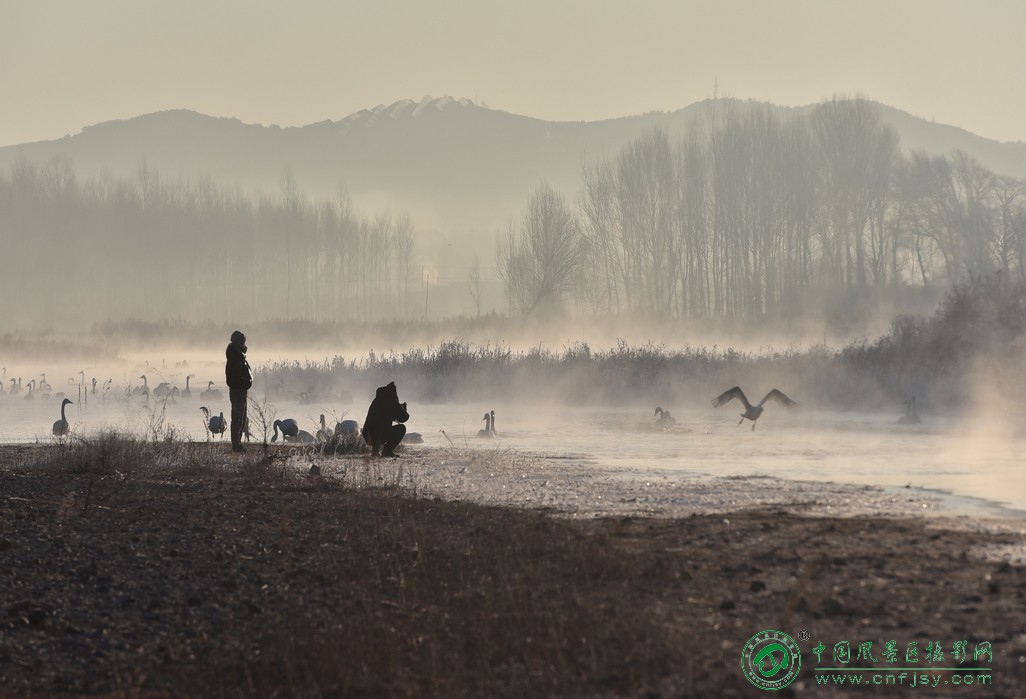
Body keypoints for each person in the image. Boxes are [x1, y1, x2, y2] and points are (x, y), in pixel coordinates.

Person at [362, 381, 410, 457]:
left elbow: (385, 415)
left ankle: (375, 451)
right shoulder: (391, 400)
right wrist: (403, 409)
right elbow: (404, 418)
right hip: (379, 434)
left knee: (378, 428)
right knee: (401, 428)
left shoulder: (376, 400)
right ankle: (387, 451)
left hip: (367, 435)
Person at [225, 330, 253, 453]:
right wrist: (245, 382)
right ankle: (236, 446)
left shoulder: (237, 357)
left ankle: (238, 444)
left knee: (241, 418)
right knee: (237, 418)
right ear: (239, 343)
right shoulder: (235, 359)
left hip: (240, 391)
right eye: (242, 343)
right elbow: (234, 378)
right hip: (238, 392)